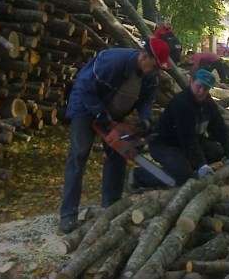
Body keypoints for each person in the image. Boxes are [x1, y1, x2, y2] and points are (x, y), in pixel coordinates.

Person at [59, 37, 171, 234]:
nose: (156, 72)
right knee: (79, 155)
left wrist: (145, 120)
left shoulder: (150, 76)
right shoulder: (112, 62)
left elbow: (146, 101)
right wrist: (101, 116)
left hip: (114, 110)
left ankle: (111, 206)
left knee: (119, 153)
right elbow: (85, 87)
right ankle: (68, 215)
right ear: (145, 56)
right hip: (85, 106)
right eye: (154, 66)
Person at [131, 69, 229, 189]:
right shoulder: (181, 103)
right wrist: (201, 165)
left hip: (189, 142)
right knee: (181, 177)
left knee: (217, 152)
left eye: (206, 89)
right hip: (165, 145)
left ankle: (186, 165)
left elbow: (221, 129)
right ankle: (139, 175)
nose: (201, 91)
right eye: (199, 86)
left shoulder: (209, 104)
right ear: (191, 82)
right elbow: (188, 139)